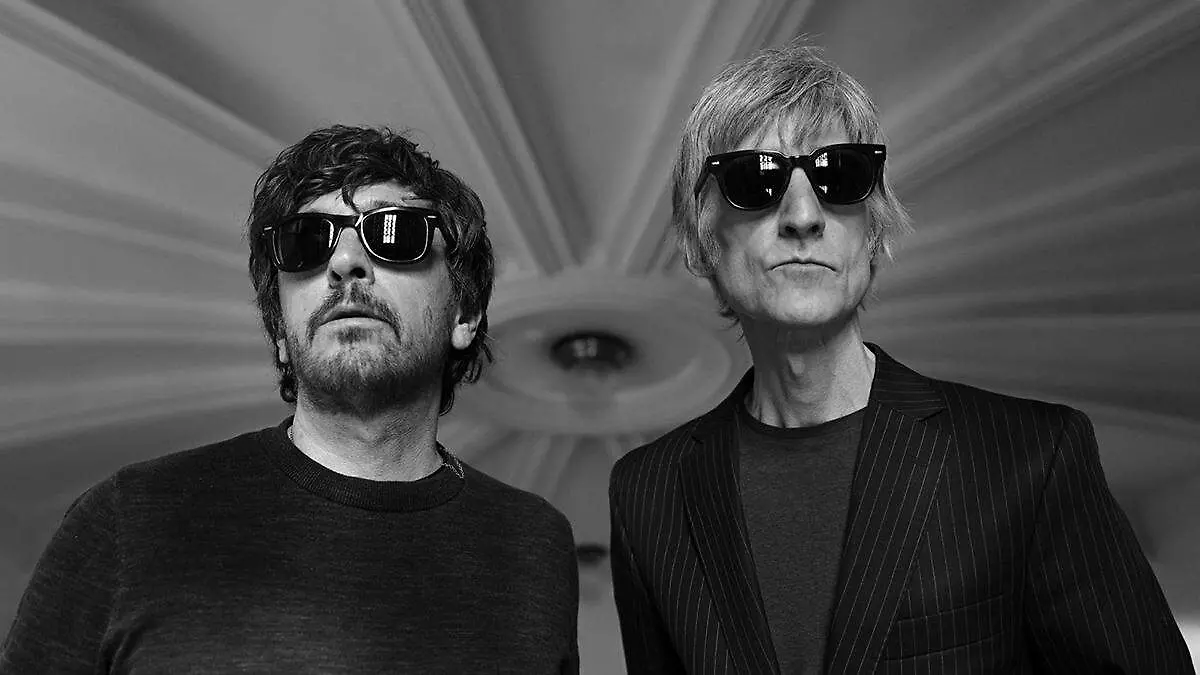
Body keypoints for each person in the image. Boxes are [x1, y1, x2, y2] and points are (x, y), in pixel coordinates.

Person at [608, 43, 1193, 674]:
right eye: (756, 180)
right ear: (701, 239)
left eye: (840, 176)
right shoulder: (648, 495)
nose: (803, 216)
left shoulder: (1032, 457)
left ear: (874, 229)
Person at [1, 125, 579, 674]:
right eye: (306, 243)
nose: (345, 263)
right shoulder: (130, 515)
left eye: (395, 233)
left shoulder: (533, 543)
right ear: (280, 330)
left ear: (465, 313)